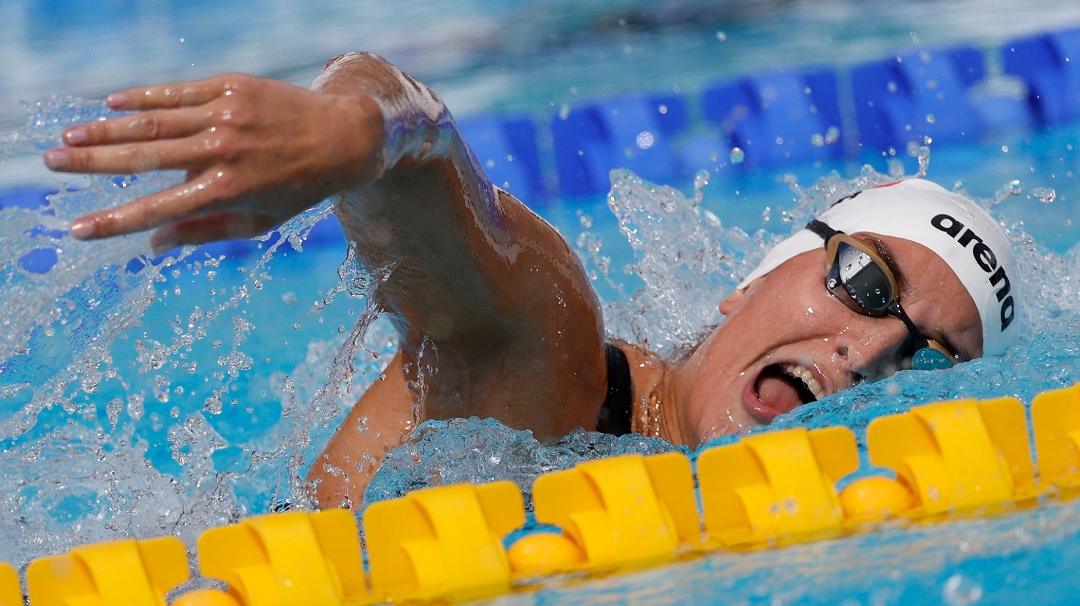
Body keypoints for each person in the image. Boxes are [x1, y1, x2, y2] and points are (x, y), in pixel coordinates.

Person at [45, 52, 1019, 510]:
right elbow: (428, 158)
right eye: (864, 280)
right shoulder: (564, 374)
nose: (871, 350)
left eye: (930, 363)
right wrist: (348, 136)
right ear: (752, 283)